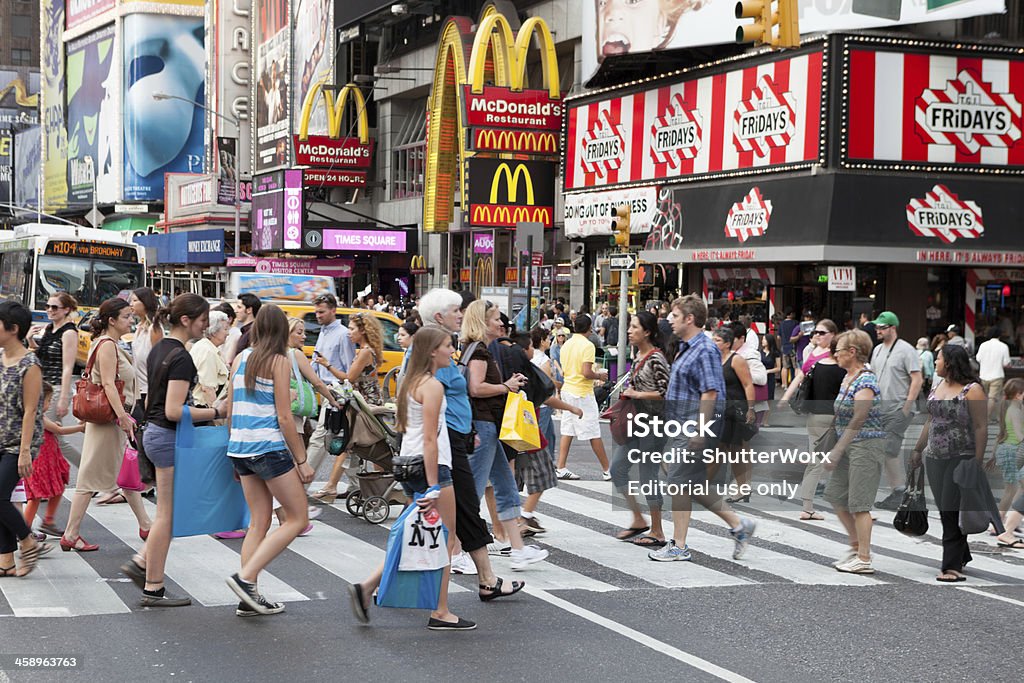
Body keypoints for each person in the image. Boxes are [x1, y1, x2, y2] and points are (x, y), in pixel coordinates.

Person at [349, 327, 489, 630]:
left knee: (419, 536)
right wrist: (435, 485)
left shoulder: (409, 382)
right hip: (432, 467)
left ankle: (367, 586)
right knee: (446, 539)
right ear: (431, 351)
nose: (452, 350)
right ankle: (440, 611)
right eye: (447, 345)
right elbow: (430, 438)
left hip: (407, 464)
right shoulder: (433, 386)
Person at [416, 289, 524, 592]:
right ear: (439, 318)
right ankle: (443, 591)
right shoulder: (431, 352)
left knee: (466, 506)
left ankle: (489, 576)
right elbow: (442, 398)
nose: (460, 316)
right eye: (455, 311)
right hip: (444, 441)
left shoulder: (443, 351)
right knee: (456, 507)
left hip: (458, 437)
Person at [119, 294, 216, 607]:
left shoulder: (160, 347)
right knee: (167, 516)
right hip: (167, 435)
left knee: (167, 513)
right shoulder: (181, 357)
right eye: (203, 319)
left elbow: (151, 401)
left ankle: (144, 565)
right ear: (186, 320)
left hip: (154, 432)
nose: (207, 325)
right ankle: (153, 585)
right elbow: (175, 410)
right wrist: (217, 412)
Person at [648, 295, 756, 563]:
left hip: (692, 425)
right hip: (681, 424)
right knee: (692, 484)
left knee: (677, 482)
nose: (669, 320)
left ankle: (679, 545)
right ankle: (739, 525)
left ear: (689, 319)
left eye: (674, 315)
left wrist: (700, 430)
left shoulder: (705, 350)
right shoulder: (687, 346)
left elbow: (710, 393)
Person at [224, 305, 314, 615]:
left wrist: (233, 450)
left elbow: (230, 409)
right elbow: (285, 417)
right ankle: (246, 579)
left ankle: (248, 597)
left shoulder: (241, 358)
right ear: (281, 332)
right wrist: (301, 459)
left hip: (240, 448)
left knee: (258, 522)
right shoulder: (279, 361)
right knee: (297, 518)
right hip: (268, 447)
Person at [462, 300, 548, 570]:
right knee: (472, 492)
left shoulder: (478, 349)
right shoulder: (478, 351)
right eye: (496, 319)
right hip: (483, 426)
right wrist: (506, 386)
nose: (502, 323)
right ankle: (454, 550)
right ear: (482, 322)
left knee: (505, 485)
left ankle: (518, 549)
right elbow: (476, 388)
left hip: (490, 426)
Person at [61, 298, 152, 553]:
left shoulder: (107, 343)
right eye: (126, 316)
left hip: (110, 420)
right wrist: (123, 415)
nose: (130, 320)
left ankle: (145, 523)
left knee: (126, 472)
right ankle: (71, 533)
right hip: (110, 420)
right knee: (89, 478)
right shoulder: (108, 345)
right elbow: (109, 385)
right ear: (112, 320)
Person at [911, 344, 988, 582]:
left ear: (951, 362)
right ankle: (961, 554)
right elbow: (930, 420)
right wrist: (917, 449)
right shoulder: (938, 385)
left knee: (949, 510)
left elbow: (981, 426)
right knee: (947, 509)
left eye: (939, 359)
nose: (935, 362)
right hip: (934, 457)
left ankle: (951, 566)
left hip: (960, 457)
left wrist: (976, 461)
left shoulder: (972, 390)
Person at [823, 330, 887, 574]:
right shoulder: (848, 377)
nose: (835, 355)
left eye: (838, 351)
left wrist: (838, 449)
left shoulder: (865, 380)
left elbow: (859, 418)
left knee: (860, 504)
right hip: (847, 444)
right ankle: (855, 545)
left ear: (852, 352)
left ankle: (864, 557)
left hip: (865, 445)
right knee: (836, 495)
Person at [609, 312, 670, 548]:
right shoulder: (637, 357)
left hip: (654, 425)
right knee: (617, 469)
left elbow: (667, 393)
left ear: (647, 332)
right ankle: (637, 518)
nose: (629, 331)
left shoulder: (656, 358)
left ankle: (657, 531)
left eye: (634, 327)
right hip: (636, 424)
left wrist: (638, 394)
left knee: (648, 477)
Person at [312, 312, 384, 501]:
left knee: (350, 444)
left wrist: (327, 365)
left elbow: (348, 378)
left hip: (367, 404)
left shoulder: (366, 352)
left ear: (363, 330)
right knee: (360, 446)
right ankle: (376, 484)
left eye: (352, 329)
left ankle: (332, 486)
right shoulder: (366, 350)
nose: (348, 333)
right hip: (364, 402)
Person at [0, 300, 46, 577]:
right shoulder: (0, 357)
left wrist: (26, 451)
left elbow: (31, 411)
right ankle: (6, 560)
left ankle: (27, 540)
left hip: (18, 443)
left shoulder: (30, 364)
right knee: (1, 498)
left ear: (13, 329)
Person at [781, 325, 844, 521]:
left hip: (814, 417)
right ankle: (854, 506)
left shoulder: (817, 366)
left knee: (814, 462)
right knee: (847, 460)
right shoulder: (843, 370)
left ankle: (807, 506)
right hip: (835, 418)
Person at [303, 294, 356, 504]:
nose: (318, 316)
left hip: (336, 391)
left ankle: (302, 483)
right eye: (316, 312)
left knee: (321, 436)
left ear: (333, 310)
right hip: (324, 389)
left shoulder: (342, 335)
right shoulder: (323, 332)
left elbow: (348, 367)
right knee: (346, 439)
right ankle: (357, 484)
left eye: (321, 312)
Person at [868, 312, 923, 511]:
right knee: (887, 450)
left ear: (892, 328)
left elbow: (917, 379)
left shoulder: (906, 350)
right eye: (877, 327)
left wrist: (907, 407)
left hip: (899, 407)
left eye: (882, 327)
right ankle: (898, 490)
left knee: (889, 448)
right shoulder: (877, 350)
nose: (878, 331)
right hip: (880, 408)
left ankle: (899, 491)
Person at [556, 314, 612, 481]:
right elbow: (586, 372)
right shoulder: (587, 346)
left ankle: (561, 467)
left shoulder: (566, 344)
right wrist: (599, 376)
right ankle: (607, 470)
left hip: (567, 389)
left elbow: (566, 371)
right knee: (593, 431)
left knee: (568, 429)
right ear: (589, 328)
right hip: (582, 393)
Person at [28, 292, 81, 468]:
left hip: (56, 388)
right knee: (47, 437)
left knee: (50, 436)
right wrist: (30, 340)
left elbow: (68, 367)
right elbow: (43, 356)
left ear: (66, 309)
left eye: (55, 307)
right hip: (42, 388)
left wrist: (64, 398)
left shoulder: (69, 332)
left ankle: (90, 474)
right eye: (48, 306)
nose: (50, 310)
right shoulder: (50, 329)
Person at [23, 382, 82, 537]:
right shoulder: (37, 416)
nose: (49, 405)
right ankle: (24, 530)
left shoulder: (38, 416)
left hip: (49, 459)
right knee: (35, 497)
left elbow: (52, 429)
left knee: (58, 487)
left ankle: (47, 521)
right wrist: (81, 428)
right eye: (48, 401)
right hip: (41, 462)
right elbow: (59, 430)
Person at [710, 326, 756, 499]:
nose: (714, 343)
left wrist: (750, 409)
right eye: (713, 339)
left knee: (733, 450)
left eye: (718, 340)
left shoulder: (736, 360)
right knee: (720, 449)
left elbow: (748, 384)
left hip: (736, 410)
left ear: (727, 343)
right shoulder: (714, 360)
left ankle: (742, 488)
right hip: (720, 410)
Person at [994, 378, 1024, 520]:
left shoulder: (1014, 408)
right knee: (1012, 489)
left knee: (1014, 489)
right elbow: (1019, 436)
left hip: (1010, 450)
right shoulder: (1014, 411)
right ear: (1018, 394)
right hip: (1013, 451)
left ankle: (1008, 520)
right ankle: (1002, 521)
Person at [190, 311, 231, 409]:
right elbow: (208, 388)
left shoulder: (207, 347)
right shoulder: (208, 351)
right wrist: (215, 413)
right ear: (214, 332)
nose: (228, 333)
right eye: (225, 329)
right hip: (203, 409)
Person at [976, 327, 1010, 419]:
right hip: (997, 375)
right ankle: (987, 418)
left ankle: (988, 417)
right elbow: (1006, 363)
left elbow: (978, 359)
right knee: (993, 398)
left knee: (986, 397)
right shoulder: (1003, 346)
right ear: (999, 335)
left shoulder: (983, 345)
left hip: (983, 375)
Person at [758, 332, 781, 426]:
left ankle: (765, 420)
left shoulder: (775, 353)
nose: (762, 341)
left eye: (764, 339)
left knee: (768, 399)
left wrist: (768, 371)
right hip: (760, 377)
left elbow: (778, 368)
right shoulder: (759, 352)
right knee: (759, 399)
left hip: (770, 377)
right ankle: (758, 419)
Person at [231, 293, 262, 360]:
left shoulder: (254, 332)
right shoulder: (246, 331)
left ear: (249, 310)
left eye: (239, 307)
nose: (235, 310)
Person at [779, 309, 798, 390]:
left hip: (784, 347)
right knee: (795, 367)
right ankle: (794, 385)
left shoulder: (782, 324)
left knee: (785, 367)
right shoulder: (795, 323)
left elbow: (778, 337)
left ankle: (784, 385)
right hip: (793, 347)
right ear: (790, 314)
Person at [917, 337, 935, 406]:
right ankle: (928, 405)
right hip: (926, 375)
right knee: (927, 391)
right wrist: (931, 377)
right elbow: (931, 366)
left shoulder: (915, 352)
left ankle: (917, 407)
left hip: (918, 375)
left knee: (917, 391)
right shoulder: (929, 354)